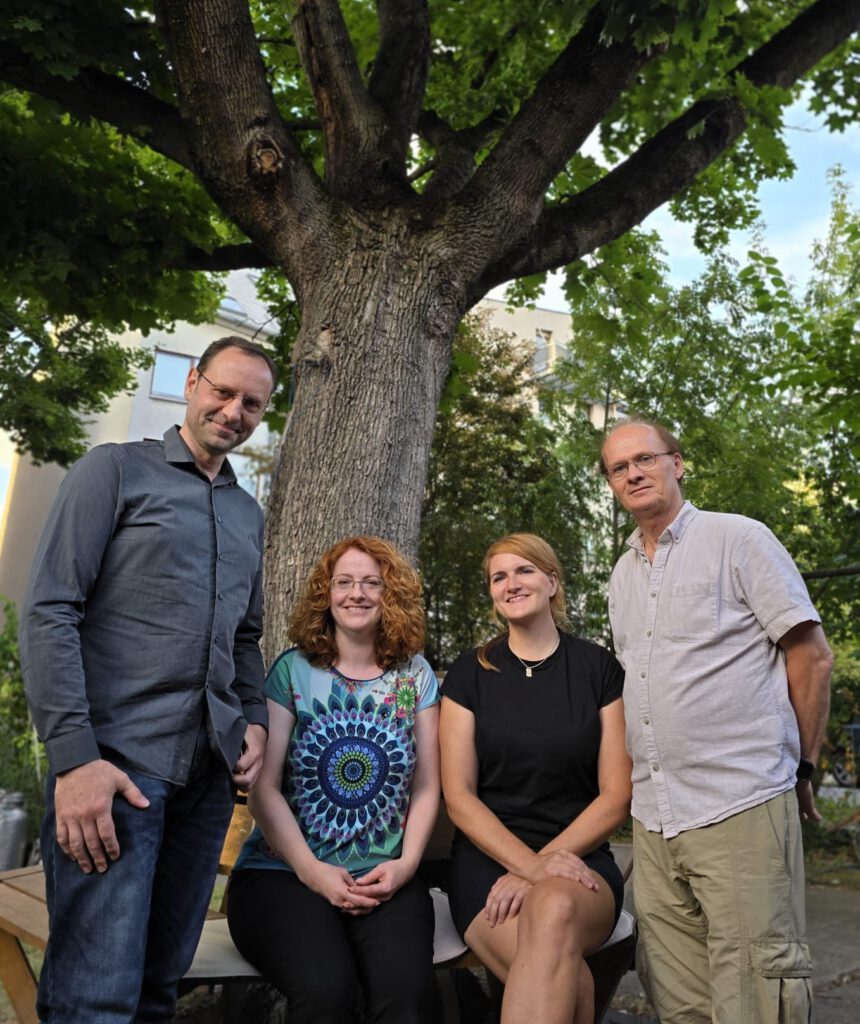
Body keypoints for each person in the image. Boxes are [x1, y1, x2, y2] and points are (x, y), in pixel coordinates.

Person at [20, 335, 277, 1024]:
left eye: (252, 403)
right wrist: (75, 762)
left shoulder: (249, 513)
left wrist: (252, 717)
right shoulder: (114, 471)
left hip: (206, 781)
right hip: (116, 773)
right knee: (93, 1000)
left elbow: (245, 638)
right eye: (223, 391)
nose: (234, 411)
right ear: (193, 383)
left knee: (160, 994)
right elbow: (49, 612)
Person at [601, 418, 833, 1024]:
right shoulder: (622, 575)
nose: (633, 473)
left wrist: (802, 766)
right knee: (677, 996)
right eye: (618, 468)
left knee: (759, 992)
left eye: (645, 459)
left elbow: (811, 655)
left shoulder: (739, 539)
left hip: (741, 801)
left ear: (678, 464)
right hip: (655, 818)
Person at [227, 535, 441, 1024]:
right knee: (327, 994)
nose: (357, 593)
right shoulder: (292, 671)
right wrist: (313, 871)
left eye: (371, 583)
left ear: (392, 595)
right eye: (343, 582)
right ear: (327, 594)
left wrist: (406, 866)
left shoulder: (415, 676)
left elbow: (428, 785)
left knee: (407, 1000)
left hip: (385, 878)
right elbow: (264, 788)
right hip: (283, 878)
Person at [440, 533, 632, 1024]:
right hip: (485, 867)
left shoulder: (599, 669)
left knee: (552, 910)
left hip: (580, 862)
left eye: (523, 570)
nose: (511, 584)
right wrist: (525, 864)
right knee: (574, 982)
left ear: (552, 581)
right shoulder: (468, 675)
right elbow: (459, 798)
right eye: (498, 577)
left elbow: (616, 795)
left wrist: (537, 867)